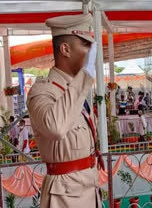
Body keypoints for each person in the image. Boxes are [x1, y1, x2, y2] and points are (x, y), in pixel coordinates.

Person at [26, 14, 103, 208]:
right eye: (85, 45)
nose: (90, 54)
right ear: (65, 49)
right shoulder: (42, 91)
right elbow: (56, 127)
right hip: (65, 198)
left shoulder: (77, 92)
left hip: (89, 190)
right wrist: (85, 75)